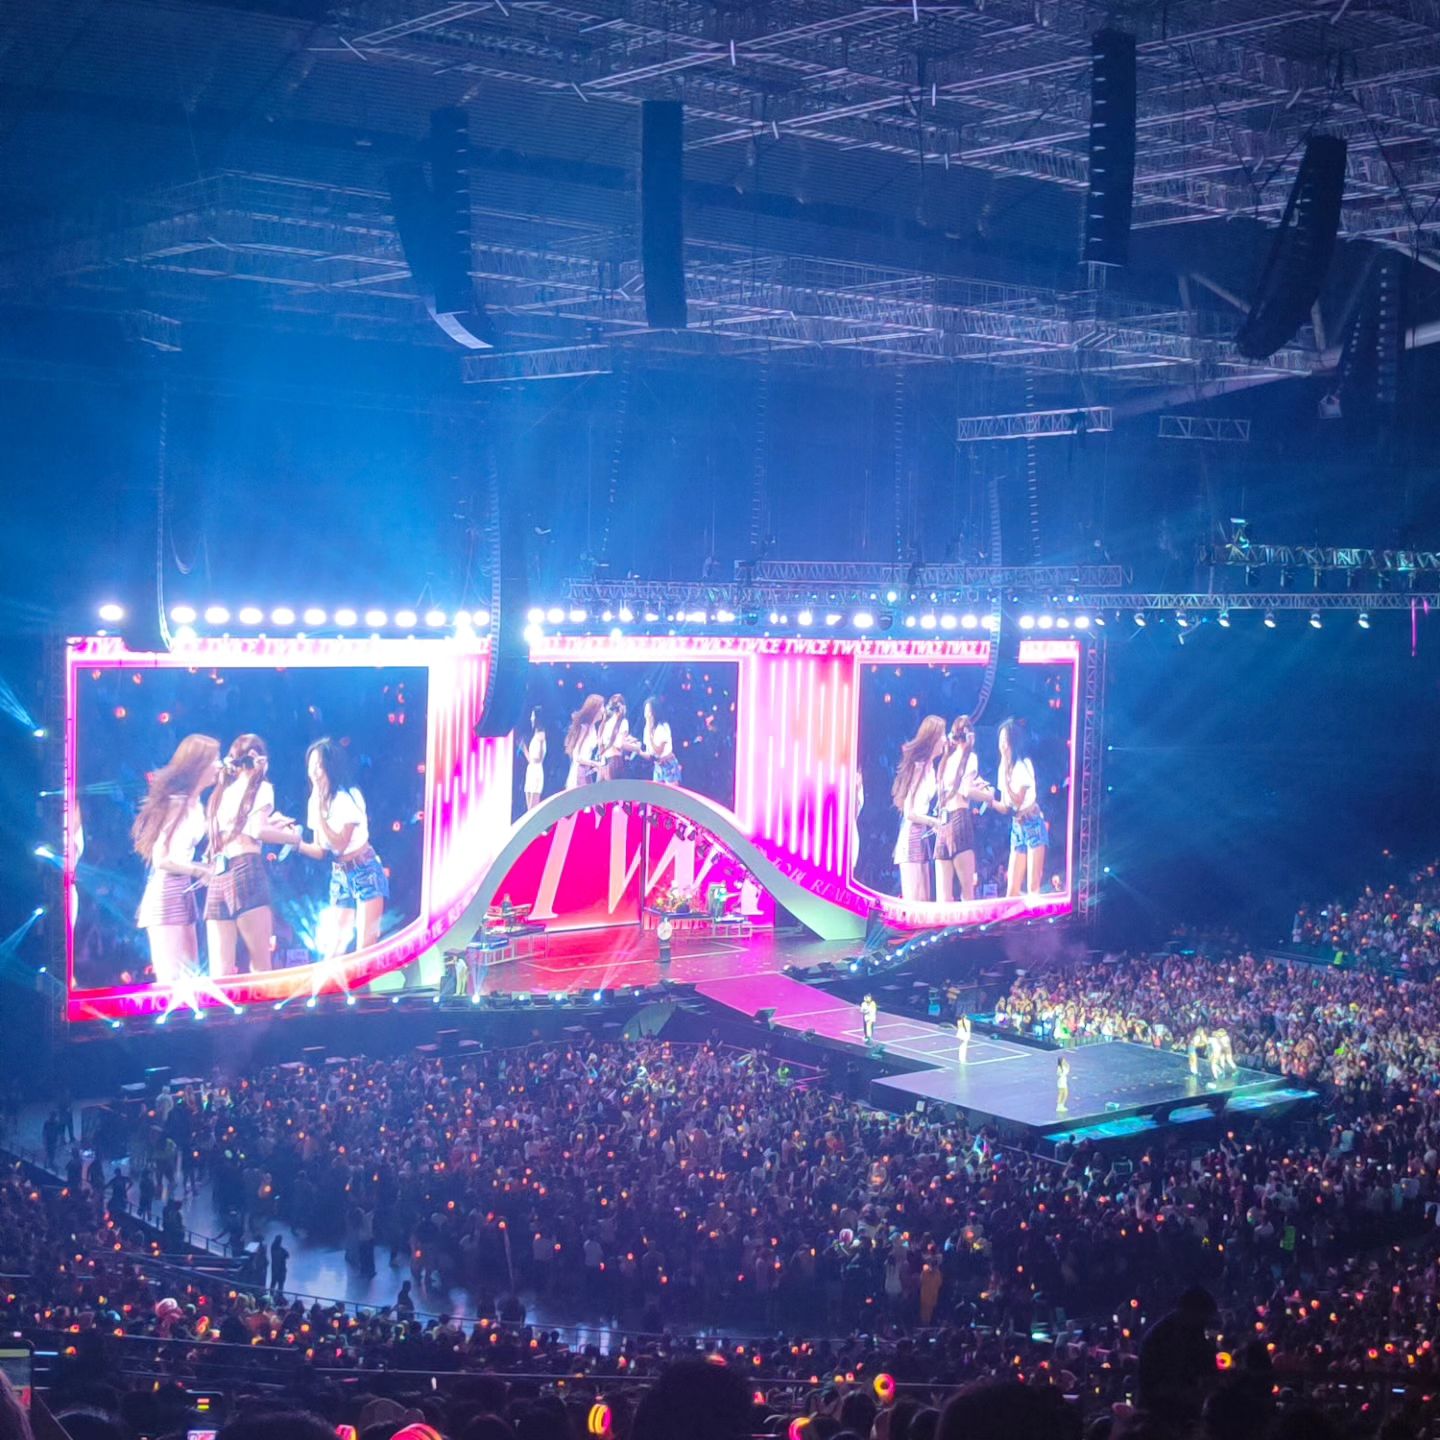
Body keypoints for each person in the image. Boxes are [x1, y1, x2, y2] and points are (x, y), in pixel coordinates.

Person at [132, 733, 237, 1013]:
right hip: (166, 892)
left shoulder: (197, 803)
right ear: (199, 764)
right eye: (215, 759)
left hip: (183, 891)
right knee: (172, 984)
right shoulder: (176, 803)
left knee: (190, 979)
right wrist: (199, 869)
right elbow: (162, 858)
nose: (219, 765)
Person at [294, 738, 389, 972]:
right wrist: (294, 842)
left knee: (365, 948)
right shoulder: (314, 800)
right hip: (340, 875)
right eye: (311, 766)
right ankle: (332, 991)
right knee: (334, 947)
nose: (314, 772)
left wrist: (321, 817)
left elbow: (338, 843)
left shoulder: (347, 797)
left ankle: (366, 990)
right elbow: (320, 851)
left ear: (330, 767)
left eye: (319, 766)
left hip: (365, 870)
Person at [204, 734, 279, 978]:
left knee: (220, 974)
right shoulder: (261, 787)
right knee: (261, 967)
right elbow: (257, 830)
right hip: (246, 868)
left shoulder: (221, 793)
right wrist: (294, 838)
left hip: (219, 876)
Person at [891, 714, 946, 902]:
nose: (945, 739)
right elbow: (910, 812)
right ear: (933, 738)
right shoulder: (919, 767)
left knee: (924, 901)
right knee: (915, 902)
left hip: (922, 836)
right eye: (942, 735)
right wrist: (934, 822)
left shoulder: (931, 769)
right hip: (911, 836)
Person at [934, 715, 989, 902]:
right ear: (970, 735)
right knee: (967, 893)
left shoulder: (945, 761)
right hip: (959, 820)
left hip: (943, 824)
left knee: (943, 898)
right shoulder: (970, 758)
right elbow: (966, 790)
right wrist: (988, 797)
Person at [993, 717, 1048, 899]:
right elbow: (1006, 807)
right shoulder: (1002, 767)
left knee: (1033, 885)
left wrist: (1007, 782)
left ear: (1013, 742)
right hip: (1017, 827)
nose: (1002, 745)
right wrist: (988, 799)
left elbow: (1017, 801)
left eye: (1005, 741)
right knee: (1012, 889)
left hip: (1032, 823)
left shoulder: (1023, 765)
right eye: (1000, 740)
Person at [564, 694, 606, 789]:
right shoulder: (584, 728)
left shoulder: (593, 728)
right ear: (595, 709)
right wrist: (594, 764)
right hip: (579, 771)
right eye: (602, 706)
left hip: (586, 771)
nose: (603, 710)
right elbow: (577, 757)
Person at [640, 696, 682, 784]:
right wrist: (637, 751)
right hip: (658, 766)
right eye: (645, 711)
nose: (647, 715)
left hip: (668, 764)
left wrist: (650, 735)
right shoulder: (646, 728)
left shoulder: (662, 727)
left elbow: (659, 751)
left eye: (649, 711)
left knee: (670, 791)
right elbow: (650, 753)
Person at [595, 693, 631, 781]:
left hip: (603, 762)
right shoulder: (623, 722)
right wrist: (633, 746)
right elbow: (619, 744)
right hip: (614, 761)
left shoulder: (605, 723)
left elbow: (600, 742)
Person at [522, 708, 547, 810]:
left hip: (536, 772)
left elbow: (539, 758)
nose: (531, 718)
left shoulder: (541, 735)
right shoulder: (534, 735)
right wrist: (524, 748)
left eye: (533, 716)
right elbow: (531, 760)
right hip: (531, 770)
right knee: (529, 809)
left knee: (533, 808)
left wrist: (541, 744)